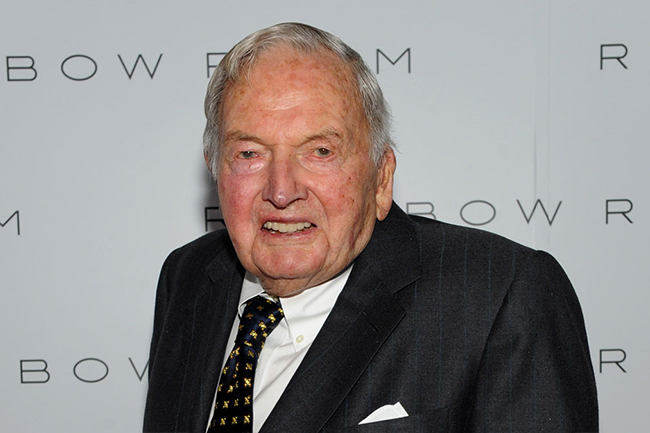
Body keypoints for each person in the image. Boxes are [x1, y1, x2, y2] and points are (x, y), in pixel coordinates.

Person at [143, 23, 598, 433]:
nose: (281, 191)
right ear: (215, 169)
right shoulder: (187, 278)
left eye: (320, 152)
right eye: (249, 153)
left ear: (381, 178)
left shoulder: (500, 297)